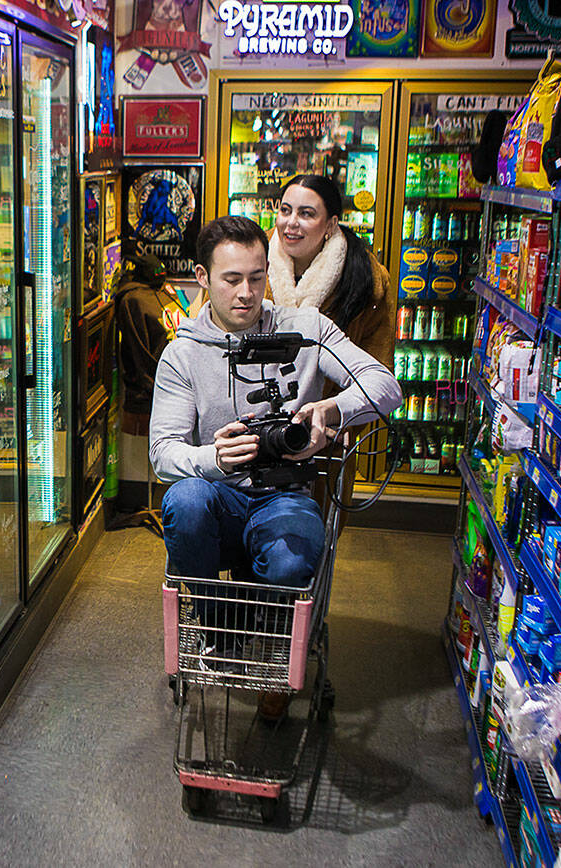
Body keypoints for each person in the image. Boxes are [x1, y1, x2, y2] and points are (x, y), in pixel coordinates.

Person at [150, 216, 401, 718]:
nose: (247, 293)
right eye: (231, 279)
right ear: (202, 277)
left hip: (286, 494)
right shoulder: (183, 353)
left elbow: (385, 385)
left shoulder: (304, 328)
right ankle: (218, 631)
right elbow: (162, 454)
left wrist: (333, 410)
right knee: (184, 498)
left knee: (291, 563)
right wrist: (211, 458)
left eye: (257, 278)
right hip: (217, 495)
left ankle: (269, 648)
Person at [268, 173, 394, 368]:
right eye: (285, 211)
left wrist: (337, 400)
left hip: (336, 397)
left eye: (306, 214)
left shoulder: (368, 277)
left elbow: (376, 367)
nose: (291, 222)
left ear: (331, 224)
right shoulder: (251, 258)